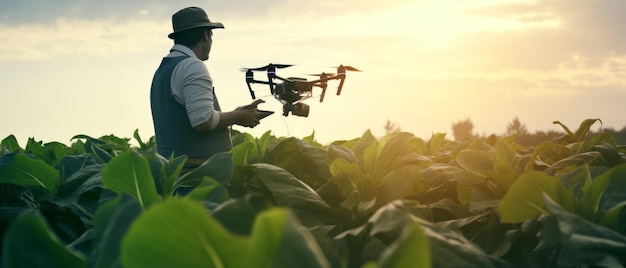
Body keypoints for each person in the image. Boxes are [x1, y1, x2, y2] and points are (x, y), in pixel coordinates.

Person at [150, 6, 266, 172]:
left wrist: (236, 112)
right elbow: (203, 121)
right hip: (196, 177)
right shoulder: (192, 66)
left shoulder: (164, 69)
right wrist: (239, 116)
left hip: (172, 175)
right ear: (206, 34)